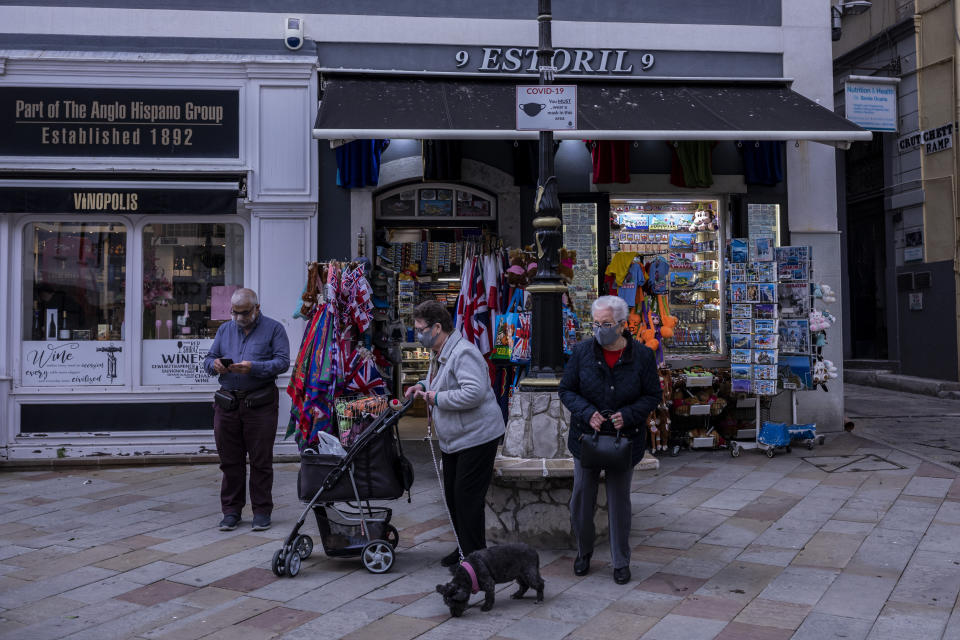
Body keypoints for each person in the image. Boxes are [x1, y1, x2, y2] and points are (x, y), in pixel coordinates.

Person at [558, 295, 660, 585]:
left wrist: (627, 415)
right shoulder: (581, 352)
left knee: (619, 502)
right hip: (586, 438)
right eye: (596, 323)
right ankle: (584, 552)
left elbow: (653, 395)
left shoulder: (641, 355)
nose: (600, 329)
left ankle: (620, 561)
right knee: (581, 499)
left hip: (624, 439)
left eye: (606, 324)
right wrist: (587, 412)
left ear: (622, 325)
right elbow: (566, 390)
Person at [404, 300, 505, 566]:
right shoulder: (440, 352)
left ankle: (474, 557)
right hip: (455, 439)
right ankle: (464, 547)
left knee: (467, 497)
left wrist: (435, 398)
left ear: (437, 327)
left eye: (420, 328)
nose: (417, 333)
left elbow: (473, 392)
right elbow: (441, 380)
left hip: (477, 436)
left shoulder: (464, 353)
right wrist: (421, 385)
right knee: (452, 495)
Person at [204, 288, 290, 532]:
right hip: (228, 403)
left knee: (261, 461)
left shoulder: (274, 329)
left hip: (260, 404)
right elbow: (209, 359)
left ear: (256, 308)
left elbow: (282, 362)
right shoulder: (224, 329)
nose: (239, 317)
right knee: (230, 461)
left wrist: (254, 368)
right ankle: (231, 511)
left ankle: (262, 511)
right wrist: (216, 365)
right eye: (234, 312)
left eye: (244, 312)